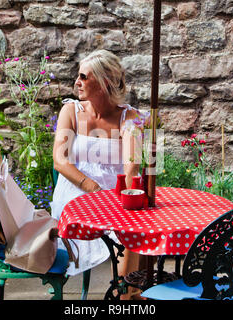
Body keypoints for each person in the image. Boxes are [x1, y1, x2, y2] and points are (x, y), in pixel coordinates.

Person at [50, 50, 145, 299]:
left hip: (116, 195)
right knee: (129, 230)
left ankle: (125, 294)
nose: (76, 82)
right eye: (78, 76)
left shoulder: (129, 117)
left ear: (103, 83)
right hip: (76, 195)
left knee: (132, 228)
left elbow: (132, 163)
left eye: (84, 76)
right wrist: (93, 189)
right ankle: (130, 294)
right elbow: (60, 161)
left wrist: (122, 193)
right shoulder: (70, 111)